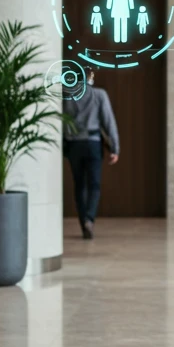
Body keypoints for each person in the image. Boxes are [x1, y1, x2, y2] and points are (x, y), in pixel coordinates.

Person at [62, 69, 120, 240]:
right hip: (93, 143)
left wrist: (65, 143)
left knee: (79, 184)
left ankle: (83, 223)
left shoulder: (68, 96)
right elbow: (109, 121)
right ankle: (89, 219)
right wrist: (115, 148)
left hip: (74, 144)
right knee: (94, 184)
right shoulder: (99, 94)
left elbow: (63, 121)